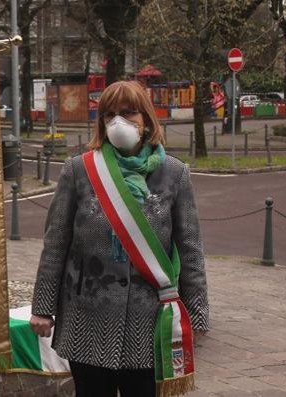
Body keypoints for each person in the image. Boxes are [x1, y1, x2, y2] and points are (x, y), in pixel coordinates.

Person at [29, 80, 209, 397]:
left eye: (128, 113)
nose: (118, 122)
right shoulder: (78, 170)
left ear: (147, 119)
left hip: (149, 321)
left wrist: (196, 315)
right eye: (109, 114)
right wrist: (43, 307)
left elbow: (190, 251)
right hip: (87, 317)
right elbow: (55, 245)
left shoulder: (174, 173)